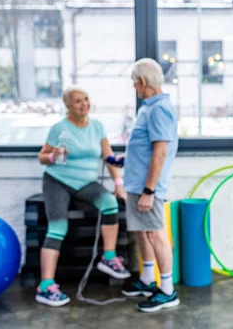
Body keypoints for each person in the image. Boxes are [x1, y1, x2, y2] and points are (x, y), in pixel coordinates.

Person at [36, 86, 130, 307]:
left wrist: (119, 184)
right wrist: (52, 155)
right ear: (68, 106)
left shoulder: (97, 127)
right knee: (58, 227)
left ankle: (108, 258)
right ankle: (45, 286)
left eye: (86, 99)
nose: (84, 104)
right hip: (57, 181)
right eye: (78, 101)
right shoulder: (59, 128)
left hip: (86, 183)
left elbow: (108, 157)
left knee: (109, 204)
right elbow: (41, 157)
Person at [119, 58, 180, 312]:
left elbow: (160, 153)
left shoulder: (159, 109)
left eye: (135, 82)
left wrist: (149, 191)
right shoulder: (148, 107)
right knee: (143, 232)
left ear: (143, 82)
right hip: (137, 185)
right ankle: (147, 280)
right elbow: (145, 149)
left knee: (156, 234)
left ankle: (167, 291)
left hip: (148, 189)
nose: (134, 87)